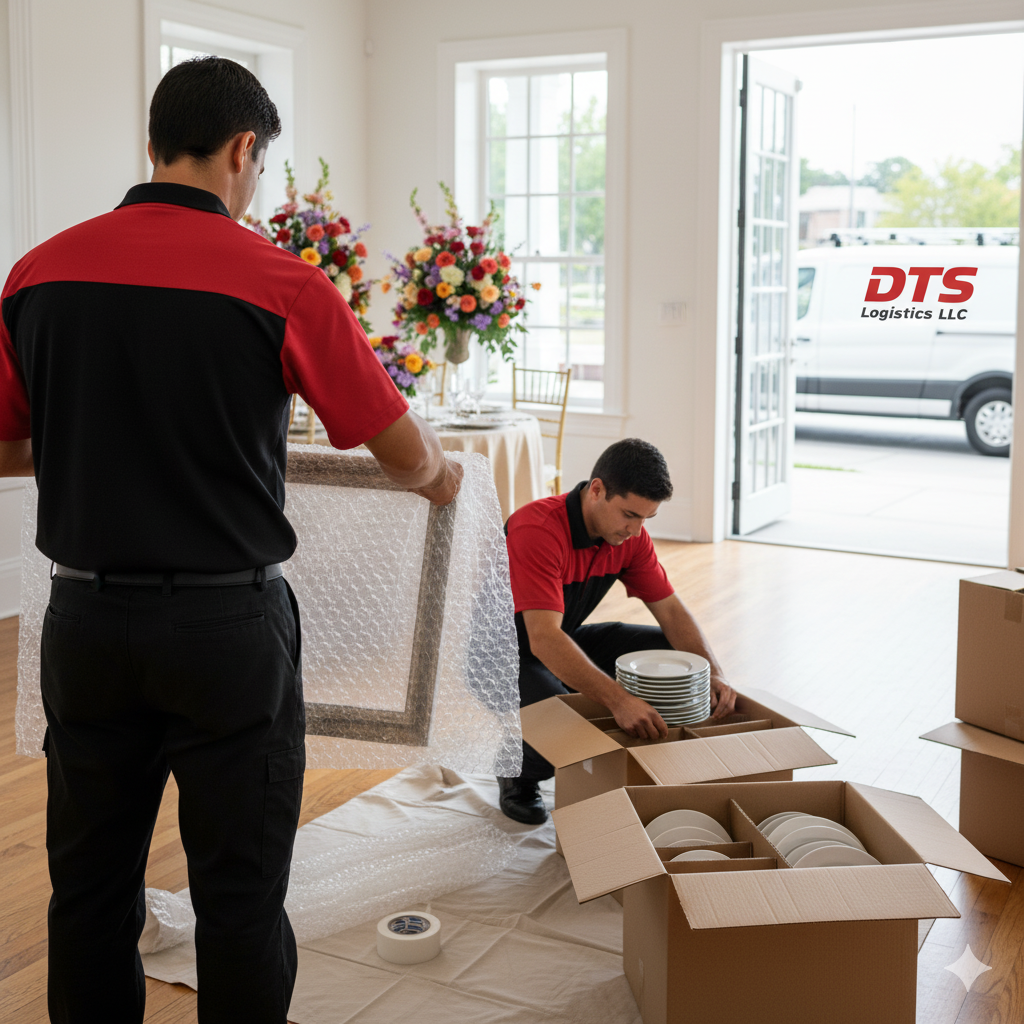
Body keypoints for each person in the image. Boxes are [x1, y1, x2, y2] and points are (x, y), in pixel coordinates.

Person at [0, 57, 461, 1024]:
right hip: (225, 631)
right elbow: (396, 446)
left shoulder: (37, 272)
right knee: (239, 898)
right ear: (244, 150)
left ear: (157, 144)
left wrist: (98, 448)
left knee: (87, 894)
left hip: (82, 622)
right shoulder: (282, 283)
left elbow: (7, 449)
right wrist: (441, 477)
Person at [498, 438, 736, 824]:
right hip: (498, 654)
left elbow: (671, 612)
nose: (636, 529)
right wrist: (618, 700)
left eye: (645, 519)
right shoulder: (537, 529)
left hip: (560, 637)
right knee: (566, 714)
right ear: (597, 490)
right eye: (629, 514)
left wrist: (714, 672)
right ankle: (517, 771)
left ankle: (651, 758)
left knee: (676, 660)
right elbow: (542, 638)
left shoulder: (629, 537)